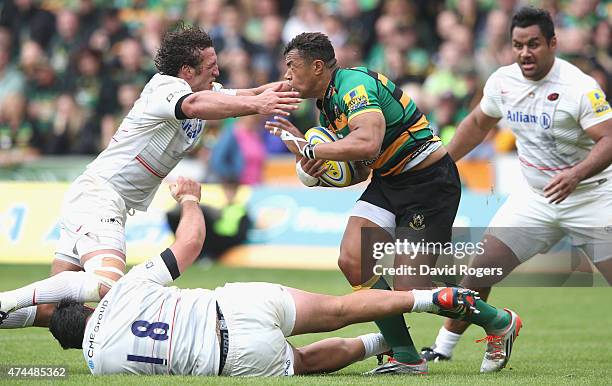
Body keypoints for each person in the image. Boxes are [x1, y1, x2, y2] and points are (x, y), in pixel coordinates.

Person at [38, 176, 512, 377]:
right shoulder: (117, 294)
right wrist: (187, 198)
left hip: (233, 358)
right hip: (233, 305)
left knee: (304, 362)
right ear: (86, 305)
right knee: (340, 308)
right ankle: (432, 301)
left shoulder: (100, 365)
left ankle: (385, 347)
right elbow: (189, 246)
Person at [0, 26, 301, 330]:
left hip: (98, 197)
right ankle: (6, 300)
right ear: (186, 71)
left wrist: (294, 86)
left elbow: (250, 94)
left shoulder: (203, 92)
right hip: (100, 197)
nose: (218, 71)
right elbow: (199, 106)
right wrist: (257, 105)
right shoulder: (164, 88)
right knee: (106, 283)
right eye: (211, 67)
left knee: (53, 310)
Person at [264, 32, 521, 375]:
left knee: (411, 289)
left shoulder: (353, 87)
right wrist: (318, 172)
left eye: (291, 67)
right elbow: (358, 170)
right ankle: (406, 356)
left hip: (428, 182)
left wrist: (312, 149)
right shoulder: (326, 107)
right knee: (353, 260)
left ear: (317, 66)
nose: (287, 75)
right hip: (389, 181)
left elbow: (367, 142)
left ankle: (500, 321)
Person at [421, 7, 612, 371]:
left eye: (534, 44)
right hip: (535, 199)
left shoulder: (580, 87)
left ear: (553, 44)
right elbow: (478, 123)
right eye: (518, 45)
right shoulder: (503, 82)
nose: (525, 53)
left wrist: (576, 174)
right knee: (479, 274)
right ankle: (443, 347)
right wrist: (444, 164)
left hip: (592, 196)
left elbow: (609, 139)